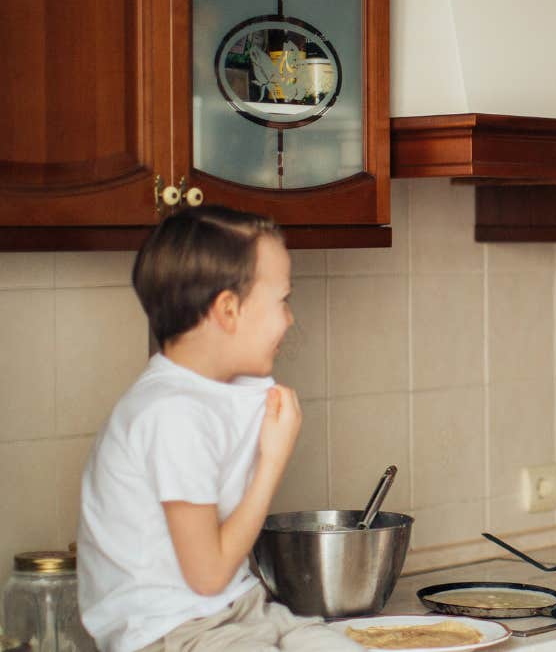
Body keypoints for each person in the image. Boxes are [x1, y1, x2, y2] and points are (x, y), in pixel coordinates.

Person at [76, 206, 362, 652]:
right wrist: (273, 461)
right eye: (282, 300)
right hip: (173, 633)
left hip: (243, 610)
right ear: (228, 310)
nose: (289, 319)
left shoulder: (219, 393)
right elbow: (207, 576)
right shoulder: (171, 414)